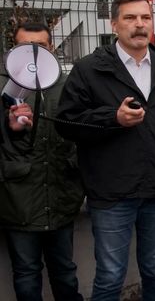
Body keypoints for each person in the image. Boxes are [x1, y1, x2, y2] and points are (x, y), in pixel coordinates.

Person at [55, 0, 155, 301]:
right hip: (111, 193)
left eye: (145, 18)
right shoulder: (89, 69)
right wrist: (113, 118)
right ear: (114, 24)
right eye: (130, 18)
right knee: (110, 275)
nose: (139, 25)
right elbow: (66, 122)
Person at [0, 23, 85, 301]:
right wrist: (8, 125)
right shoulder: (4, 83)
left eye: (41, 46)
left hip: (61, 197)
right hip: (19, 201)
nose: (34, 53)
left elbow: (79, 132)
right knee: (26, 273)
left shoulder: (66, 83)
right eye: (26, 47)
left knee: (65, 272)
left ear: (51, 48)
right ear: (14, 49)